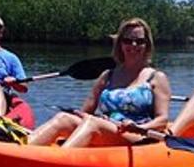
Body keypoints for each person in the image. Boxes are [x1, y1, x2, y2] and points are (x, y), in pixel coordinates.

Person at [29, 17, 171, 148]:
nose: (133, 45)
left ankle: (59, 161)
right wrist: (91, 117)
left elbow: (162, 120)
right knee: (63, 118)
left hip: (137, 135)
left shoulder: (156, 77)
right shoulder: (107, 75)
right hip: (106, 128)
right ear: (120, 44)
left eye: (140, 41)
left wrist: (140, 127)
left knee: (92, 123)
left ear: (147, 45)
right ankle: (23, 149)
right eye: (128, 40)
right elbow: (85, 112)